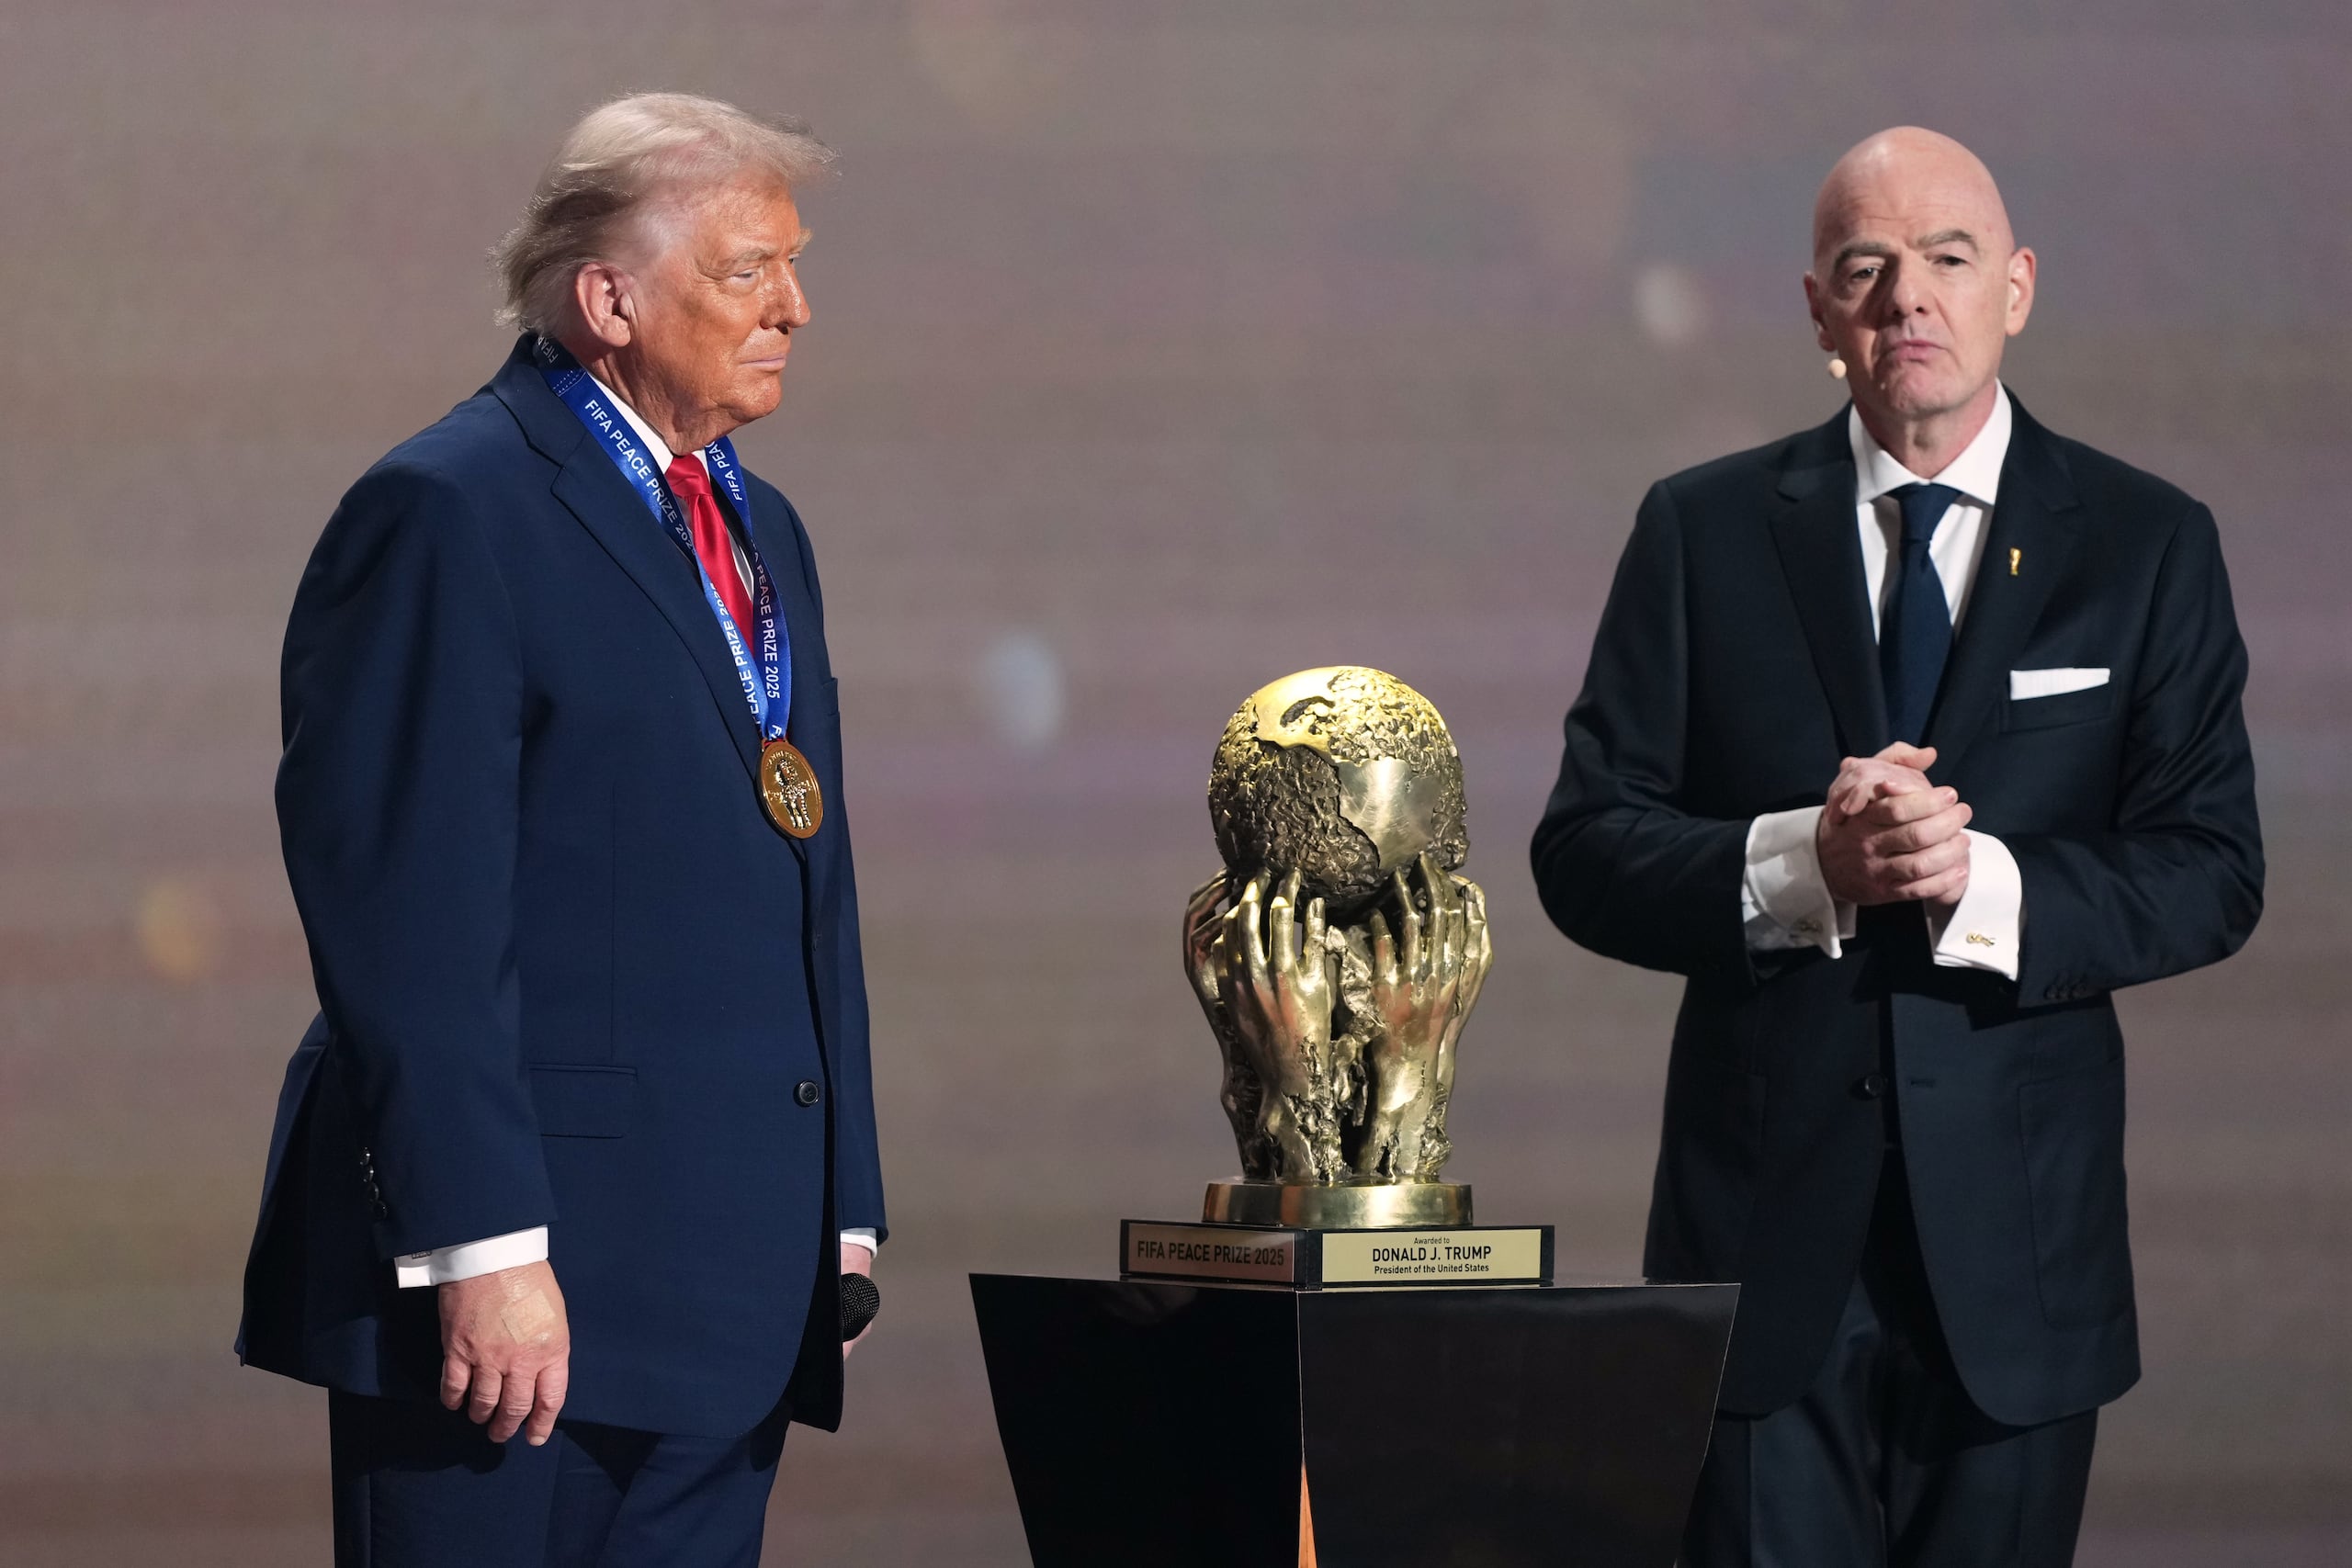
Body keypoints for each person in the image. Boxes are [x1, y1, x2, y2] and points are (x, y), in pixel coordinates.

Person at [1530, 127, 2261, 1565]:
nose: (1906, 298)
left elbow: (2214, 866)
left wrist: (1976, 881)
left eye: (1947, 259)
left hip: (2021, 1269)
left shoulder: (2145, 541)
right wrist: (1808, 864)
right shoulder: (1701, 532)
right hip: (1759, 1253)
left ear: (2019, 289)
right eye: (1865, 267)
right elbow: (1585, 846)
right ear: (1816, 310)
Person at [235, 93, 887, 1566]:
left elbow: (807, 876)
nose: (795, 305)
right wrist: (481, 1247)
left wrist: (837, 1209)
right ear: (608, 300)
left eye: (794, 264)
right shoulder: (449, 509)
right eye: (747, 270)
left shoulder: (758, 530)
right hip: (527, 1304)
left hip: (733, 1291)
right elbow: (408, 917)